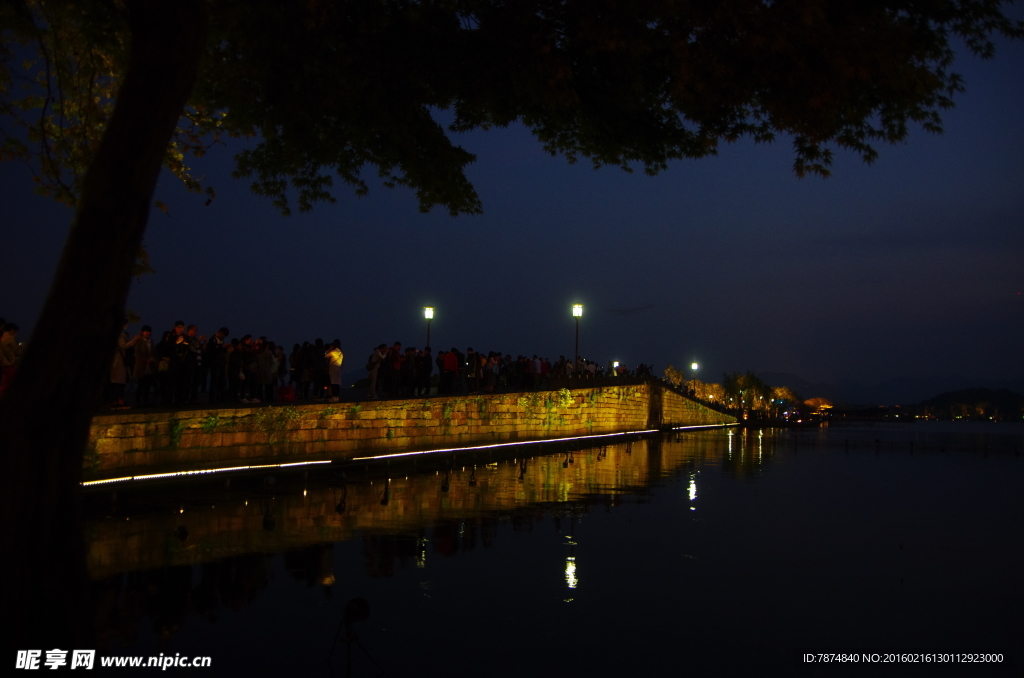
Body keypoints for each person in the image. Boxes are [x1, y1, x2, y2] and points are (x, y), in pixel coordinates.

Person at [109, 319, 140, 408]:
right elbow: (123, 345)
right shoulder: (120, 335)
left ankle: (118, 400)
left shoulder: (120, 334)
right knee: (118, 382)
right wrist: (134, 340)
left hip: (122, 361)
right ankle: (117, 401)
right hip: (119, 361)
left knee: (121, 382)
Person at [134, 325, 156, 406]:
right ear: (142, 332)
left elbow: (153, 353)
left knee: (147, 385)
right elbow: (137, 353)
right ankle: (138, 401)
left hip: (149, 366)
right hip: (142, 366)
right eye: (146, 331)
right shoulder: (139, 341)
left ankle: (145, 400)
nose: (147, 333)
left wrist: (152, 359)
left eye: (148, 332)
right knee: (141, 385)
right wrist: (145, 360)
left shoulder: (150, 341)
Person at [0, 322, 22, 397]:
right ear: (12, 330)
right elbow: (15, 351)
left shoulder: (3, 337)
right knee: (15, 381)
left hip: (3, 364)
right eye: (16, 331)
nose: (16, 333)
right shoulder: (10, 338)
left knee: (5, 383)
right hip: (9, 363)